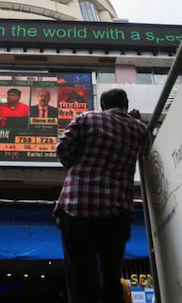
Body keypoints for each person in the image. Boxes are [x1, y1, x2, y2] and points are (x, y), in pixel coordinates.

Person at [54, 88, 146, 303]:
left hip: (78, 208)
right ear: (126, 103)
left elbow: (63, 150)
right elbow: (141, 148)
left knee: (80, 279)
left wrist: (79, 165)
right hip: (117, 212)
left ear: (103, 105)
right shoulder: (140, 129)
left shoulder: (86, 118)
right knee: (111, 279)